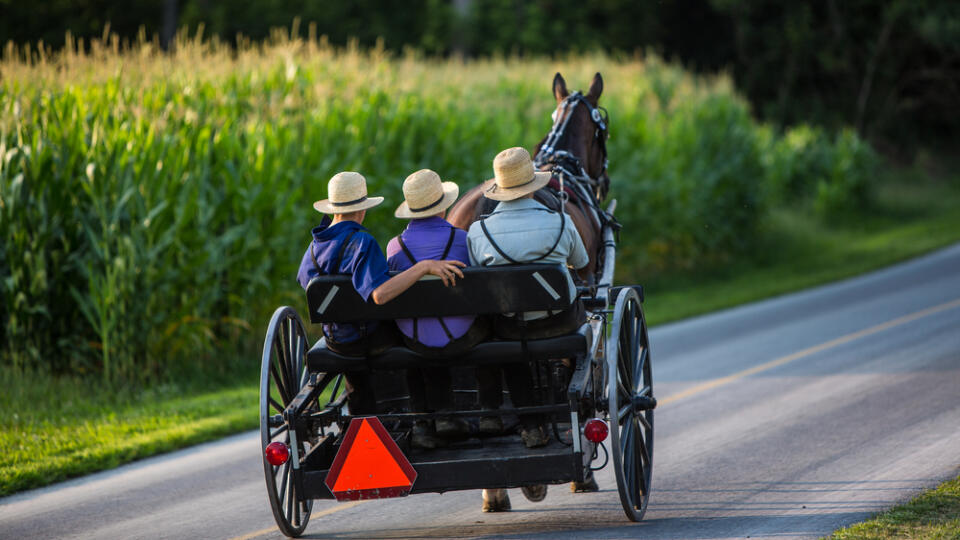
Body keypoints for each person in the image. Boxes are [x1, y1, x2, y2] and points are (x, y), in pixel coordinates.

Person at [296, 171, 465, 416]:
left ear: (333, 209)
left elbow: (305, 282)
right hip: (368, 339)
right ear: (362, 209)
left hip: (336, 339)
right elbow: (380, 295)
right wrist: (423, 267)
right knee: (410, 333)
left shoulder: (314, 247)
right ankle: (423, 415)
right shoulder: (361, 243)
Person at [467, 147, 589, 449]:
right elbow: (581, 263)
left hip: (511, 325)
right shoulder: (560, 221)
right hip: (560, 322)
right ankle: (570, 396)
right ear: (535, 186)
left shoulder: (479, 231)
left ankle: (532, 426)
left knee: (508, 339)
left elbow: (477, 278)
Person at [386, 169, 490, 449]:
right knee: (490, 324)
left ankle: (424, 422)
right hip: (462, 335)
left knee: (414, 334)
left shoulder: (394, 248)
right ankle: (490, 411)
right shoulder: (462, 239)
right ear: (443, 207)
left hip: (416, 338)